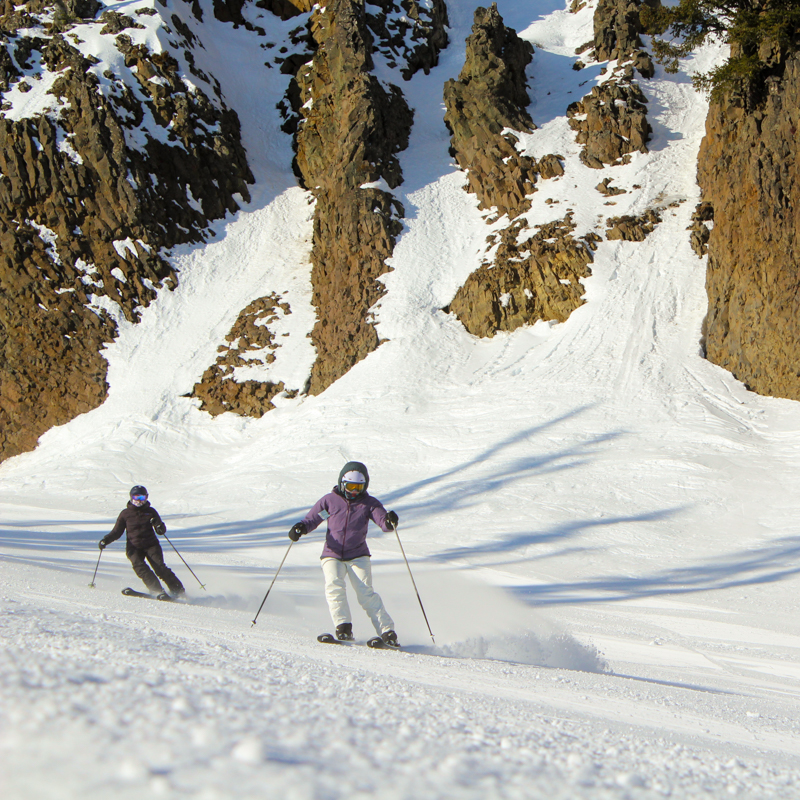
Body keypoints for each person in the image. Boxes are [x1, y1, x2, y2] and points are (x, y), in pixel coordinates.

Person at [289, 461, 400, 645]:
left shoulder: (368, 503)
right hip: (332, 553)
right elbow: (312, 519)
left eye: (359, 487)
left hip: (358, 555)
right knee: (334, 587)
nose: (354, 491)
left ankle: (387, 632)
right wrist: (300, 528)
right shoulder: (329, 501)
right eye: (350, 486)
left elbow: (383, 523)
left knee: (366, 594)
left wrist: (390, 521)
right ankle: (343, 628)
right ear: (342, 483)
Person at [99, 486, 185, 598]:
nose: (139, 500)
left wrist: (158, 525)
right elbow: (117, 532)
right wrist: (105, 540)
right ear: (131, 497)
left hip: (151, 545)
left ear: (146, 497)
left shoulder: (151, 512)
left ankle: (178, 591)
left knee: (160, 567)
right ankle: (157, 590)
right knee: (139, 567)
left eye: (142, 497)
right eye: (136, 496)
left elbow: (161, 531)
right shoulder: (125, 514)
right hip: (134, 547)